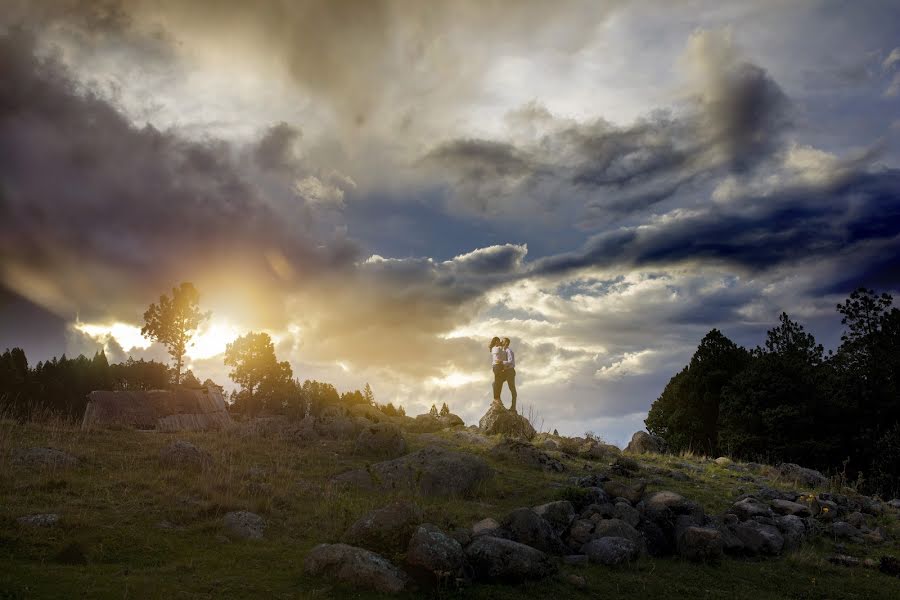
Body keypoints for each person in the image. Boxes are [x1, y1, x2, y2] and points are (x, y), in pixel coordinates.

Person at [500, 337, 517, 413]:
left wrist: (501, 362)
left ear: (506, 342)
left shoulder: (509, 351)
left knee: (512, 388)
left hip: (510, 371)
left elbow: (510, 361)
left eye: (503, 341)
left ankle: (513, 407)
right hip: (505, 372)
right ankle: (498, 402)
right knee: (496, 383)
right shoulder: (502, 351)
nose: (501, 342)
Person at [489, 336, 506, 405]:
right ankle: (496, 399)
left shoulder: (499, 348)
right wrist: (502, 345)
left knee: (500, 382)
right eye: (498, 341)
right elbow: (500, 354)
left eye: (499, 341)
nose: (499, 342)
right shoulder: (494, 348)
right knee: (498, 382)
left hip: (500, 366)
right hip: (496, 366)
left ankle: (497, 398)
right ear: (496, 342)